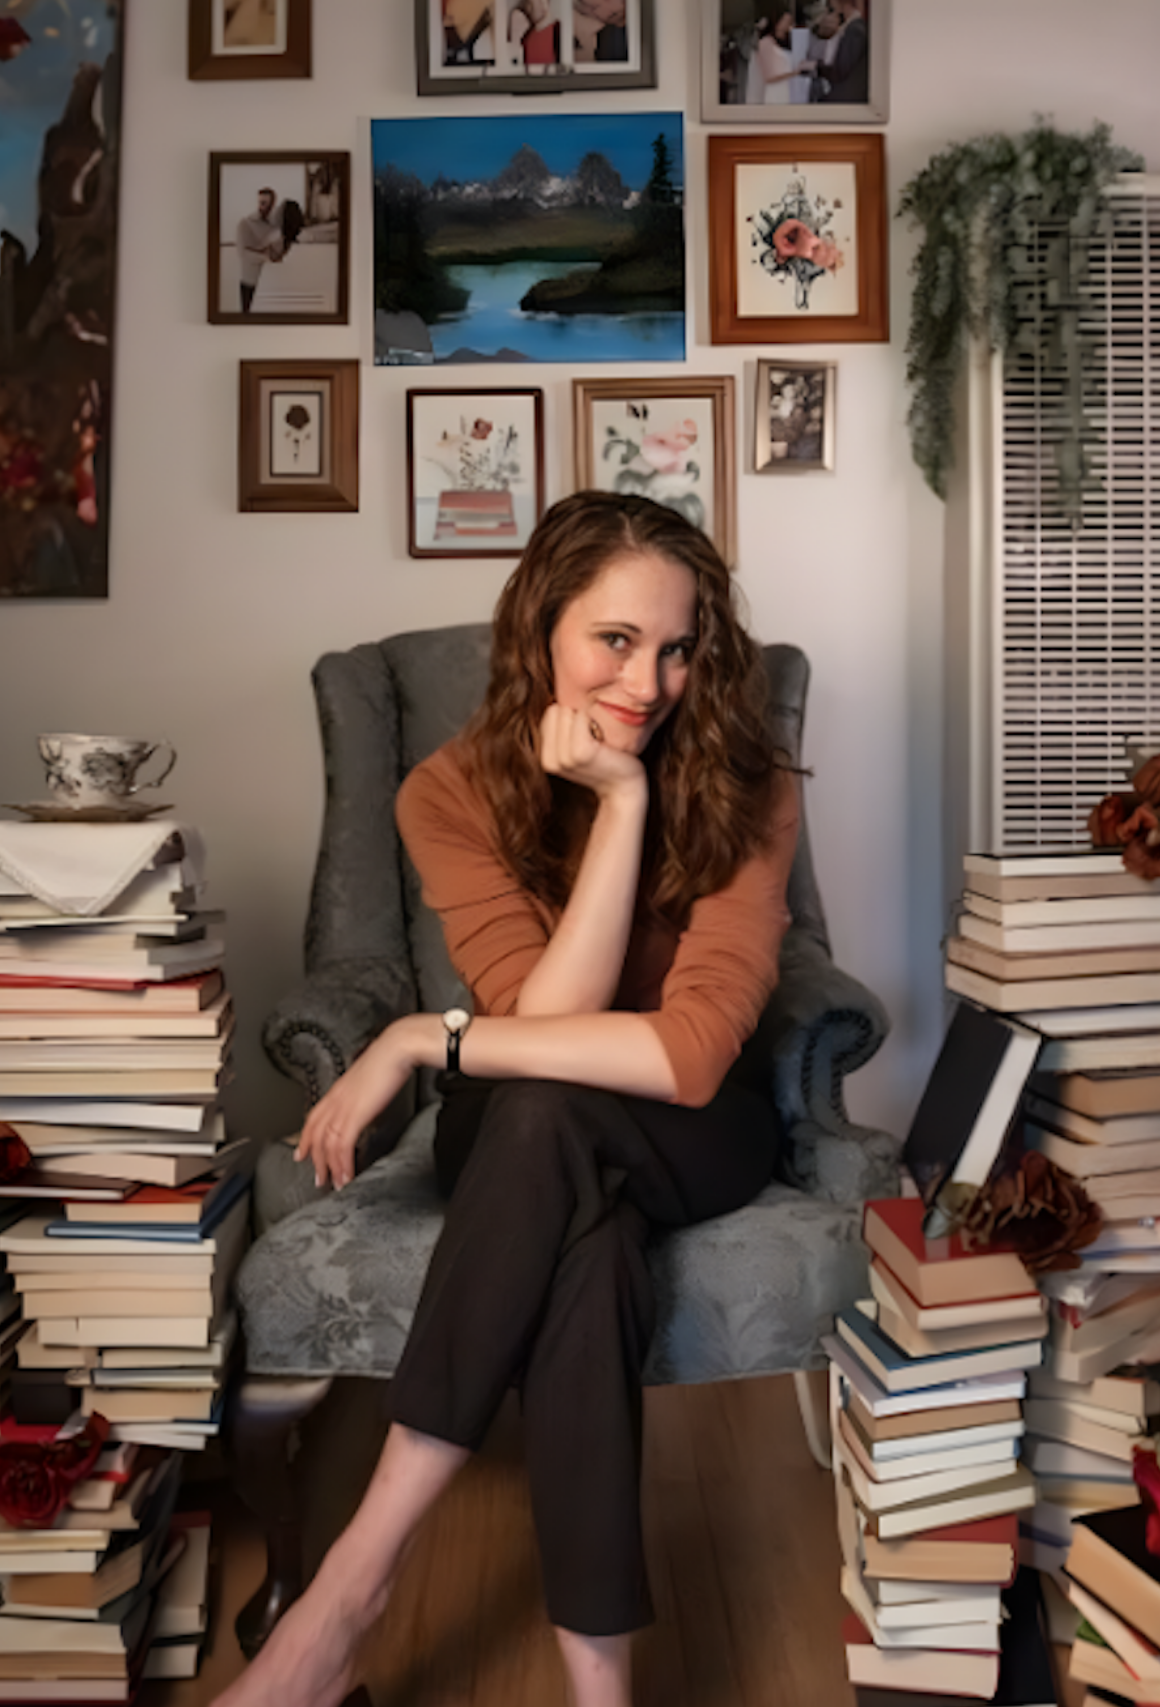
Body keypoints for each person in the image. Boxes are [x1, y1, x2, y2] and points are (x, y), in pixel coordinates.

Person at [210, 491, 800, 1707]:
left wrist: (427, 1033)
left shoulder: (751, 787)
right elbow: (537, 1032)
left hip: (695, 1122)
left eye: (678, 647)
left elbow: (691, 1059)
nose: (649, 681)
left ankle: (343, 1602)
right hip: (527, 1101)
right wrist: (613, 812)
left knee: (544, 1120)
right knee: (581, 1235)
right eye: (615, 641)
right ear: (540, 630)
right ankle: (600, 1695)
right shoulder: (448, 791)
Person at [235, 186, 284, 314]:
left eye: (266, 203)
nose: (262, 206)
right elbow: (242, 253)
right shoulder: (245, 223)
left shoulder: (275, 225)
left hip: (271, 282)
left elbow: (277, 253)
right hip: (250, 281)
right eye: (261, 202)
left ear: (273, 204)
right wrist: (266, 257)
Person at [815, 0, 869, 103]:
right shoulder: (849, 27)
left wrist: (817, 67)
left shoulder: (855, 30)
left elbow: (842, 70)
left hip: (845, 100)